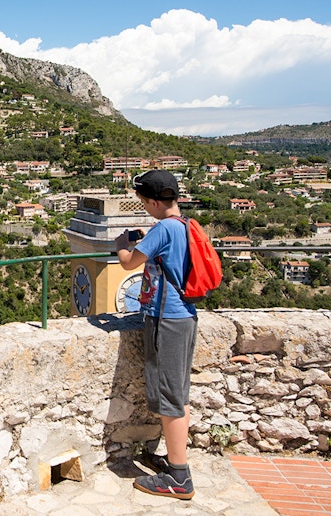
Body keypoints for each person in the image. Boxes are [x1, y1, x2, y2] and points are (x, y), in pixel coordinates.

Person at [113, 169, 196, 500]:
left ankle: (179, 477)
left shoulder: (163, 229)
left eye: (143, 203)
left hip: (168, 319)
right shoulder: (184, 225)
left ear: (151, 201)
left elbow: (129, 263)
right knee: (179, 394)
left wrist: (121, 245)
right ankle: (175, 463)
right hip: (185, 316)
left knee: (171, 397)